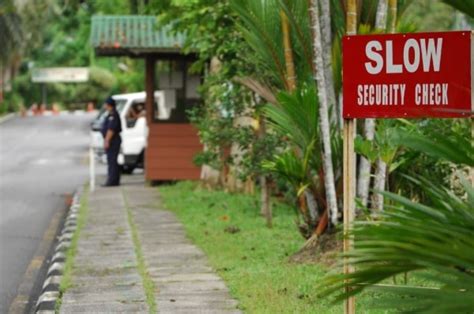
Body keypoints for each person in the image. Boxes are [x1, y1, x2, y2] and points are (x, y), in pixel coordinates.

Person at [101, 97, 122, 186]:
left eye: (105, 104)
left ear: (109, 105)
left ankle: (112, 181)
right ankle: (114, 180)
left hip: (113, 140)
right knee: (112, 161)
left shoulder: (113, 115)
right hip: (112, 140)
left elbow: (111, 129)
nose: (104, 105)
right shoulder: (110, 114)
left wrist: (106, 141)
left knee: (112, 161)